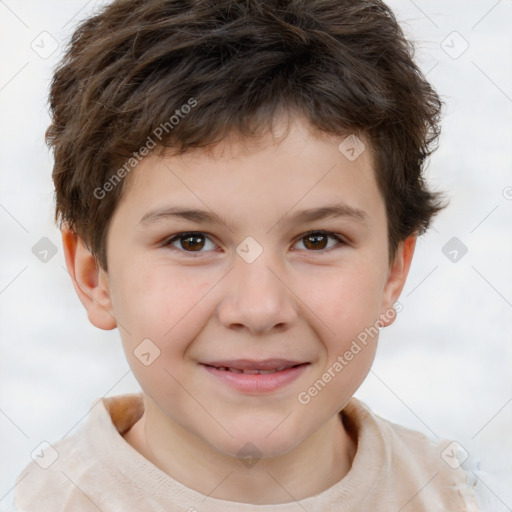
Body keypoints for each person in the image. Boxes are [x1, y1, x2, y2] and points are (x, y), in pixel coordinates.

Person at [13, 0, 489, 510]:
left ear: (395, 271)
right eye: (192, 241)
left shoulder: (452, 492)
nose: (260, 309)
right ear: (94, 276)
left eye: (318, 240)